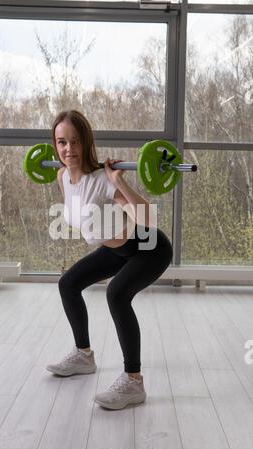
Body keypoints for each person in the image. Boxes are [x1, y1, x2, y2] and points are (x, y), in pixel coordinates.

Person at [46, 110, 173, 410]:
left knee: (117, 294)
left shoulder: (102, 179)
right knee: (69, 283)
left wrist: (119, 181)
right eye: (62, 142)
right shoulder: (61, 176)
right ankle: (84, 355)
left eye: (75, 142)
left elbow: (146, 218)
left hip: (149, 248)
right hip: (115, 249)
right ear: (55, 145)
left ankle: (133, 381)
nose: (68, 150)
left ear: (86, 142)